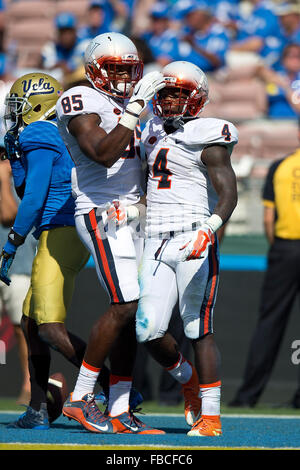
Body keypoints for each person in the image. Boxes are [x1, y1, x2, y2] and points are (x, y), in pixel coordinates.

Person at [56, 32, 166, 434]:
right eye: (114, 69)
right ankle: (82, 397)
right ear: (94, 69)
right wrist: (136, 108)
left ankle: (119, 410)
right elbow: (101, 155)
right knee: (124, 304)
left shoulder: (131, 105)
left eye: (128, 70)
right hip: (100, 212)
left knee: (133, 312)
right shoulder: (78, 98)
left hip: (135, 214)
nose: (123, 78)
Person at [1, 72, 112, 429]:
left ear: (37, 105)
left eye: (18, 107)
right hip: (63, 231)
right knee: (31, 324)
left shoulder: (39, 132)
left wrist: (12, 241)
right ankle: (37, 408)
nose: (14, 115)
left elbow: (33, 196)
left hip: (59, 231)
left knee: (47, 327)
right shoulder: (47, 132)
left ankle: (113, 388)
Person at [134, 60, 238, 436]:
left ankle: (211, 417)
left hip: (193, 233)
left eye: (179, 93)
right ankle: (188, 382)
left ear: (196, 98)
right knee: (147, 331)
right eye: (165, 93)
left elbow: (228, 192)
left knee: (197, 327)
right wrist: (131, 208)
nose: (171, 100)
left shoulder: (207, 132)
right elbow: (150, 189)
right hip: (155, 238)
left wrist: (210, 229)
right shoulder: (148, 132)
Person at [229, 119, 300, 409]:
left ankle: (247, 397)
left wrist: (279, 247)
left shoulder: (280, 167)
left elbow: (269, 219)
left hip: (284, 248)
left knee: (270, 323)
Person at [0, 155, 36, 405]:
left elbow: (9, 213)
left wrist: (3, 182)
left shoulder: (21, 179)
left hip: (17, 266)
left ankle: (28, 383)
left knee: (21, 327)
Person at [179, 1, 230, 72]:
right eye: (186, 16)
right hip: (189, 73)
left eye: (191, 15)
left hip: (212, 75)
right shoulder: (188, 32)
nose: (187, 19)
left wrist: (194, 45)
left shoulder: (218, 32)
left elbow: (217, 62)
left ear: (202, 15)